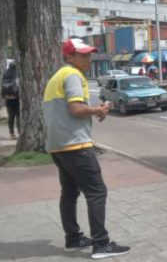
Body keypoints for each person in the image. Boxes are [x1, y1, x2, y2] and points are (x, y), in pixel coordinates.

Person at [42, 38, 131, 259]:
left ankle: (73, 239)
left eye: (89, 54)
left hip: (57, 146)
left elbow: (68, 109)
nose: (88, 59)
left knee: (70, 193)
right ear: (69, 57)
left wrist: (95, 110)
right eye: (83, 55)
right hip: (76, 144)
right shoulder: (73, 75)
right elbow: (75, 109)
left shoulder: (57, 76)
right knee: (97, 191)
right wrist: (98, 110)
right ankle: (101, 244)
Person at [1, 62, 20, 139]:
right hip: (16, 97)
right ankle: (20, 132)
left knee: (11, 116)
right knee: (18, 115)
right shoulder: (17, 73)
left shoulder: (5, 74)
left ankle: (11, 134)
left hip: (8, 98)